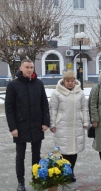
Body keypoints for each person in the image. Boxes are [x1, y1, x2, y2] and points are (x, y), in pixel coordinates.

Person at [5, 59, 50, 191]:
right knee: (20, 156)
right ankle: (21, 182)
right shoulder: (13, 85)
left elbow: (44, 105)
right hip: (20, 126)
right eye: (27, 67)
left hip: (37, 125)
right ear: (21, 68)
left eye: (31, 67)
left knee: (36, 155)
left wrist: (45, 122)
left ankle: (36, 179)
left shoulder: (39, 84)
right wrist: (13, 127)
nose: (30, 70)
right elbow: (9, 108)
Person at [49, 71, 89, 182]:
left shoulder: (80, 93)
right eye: (68, 81)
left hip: (76, 125)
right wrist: (52, 124)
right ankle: (64, 172)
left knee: (74, 151)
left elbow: (84, 108)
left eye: (72, 81)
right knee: (64, 151)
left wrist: (85, 122)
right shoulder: (56, 93)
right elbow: (53, 110)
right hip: (62, 125)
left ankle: (71, 171)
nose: (70, 83)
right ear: (63, 81)